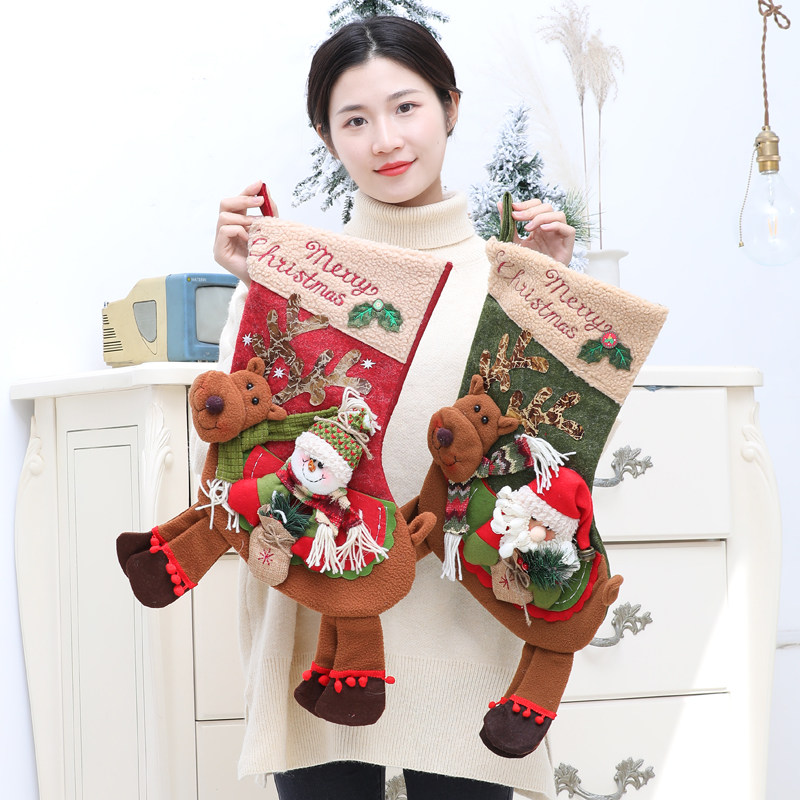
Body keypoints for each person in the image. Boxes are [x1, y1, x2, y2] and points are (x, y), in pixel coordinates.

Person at [209, 15, 575, 800]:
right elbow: (236, 451)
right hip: (324, 621)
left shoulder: (508, 272)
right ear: (326, 136)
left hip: (465, 625)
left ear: (450, 106)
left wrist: (548, 301)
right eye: (354, 120)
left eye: (406, 107)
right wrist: (255, 290)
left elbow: (545, 468)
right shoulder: (302, 276)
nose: (386, 140)